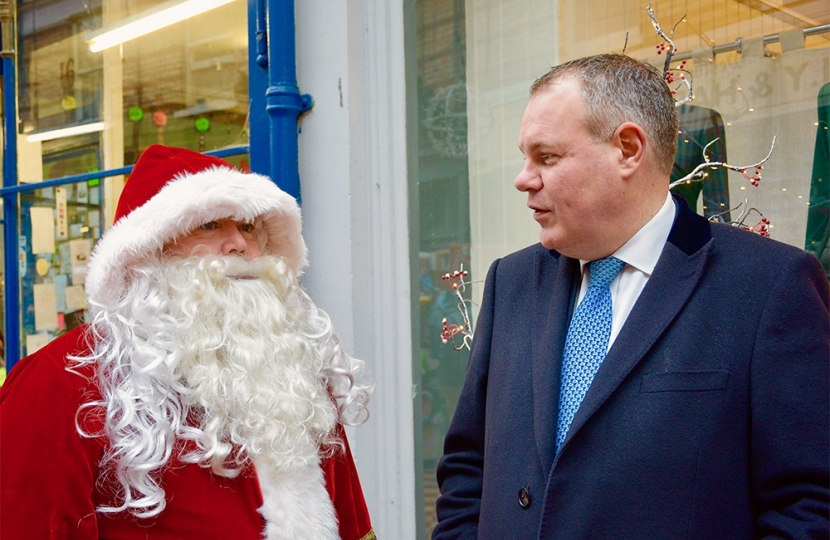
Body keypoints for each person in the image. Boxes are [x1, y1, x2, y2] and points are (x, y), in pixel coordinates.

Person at [432, 54, 829, 539]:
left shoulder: (769, 286)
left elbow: (809, 504)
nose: (523, 178)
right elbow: (467, 471)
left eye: (547, 157)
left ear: (627, 149)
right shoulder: (509, 283)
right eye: (525, 157)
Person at [0, 145, 376, 540]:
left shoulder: (294, 375)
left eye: (248, 227)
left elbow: (351, 524)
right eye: (209, 225)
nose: (238, 245)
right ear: (148, 252)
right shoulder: (65, 379)